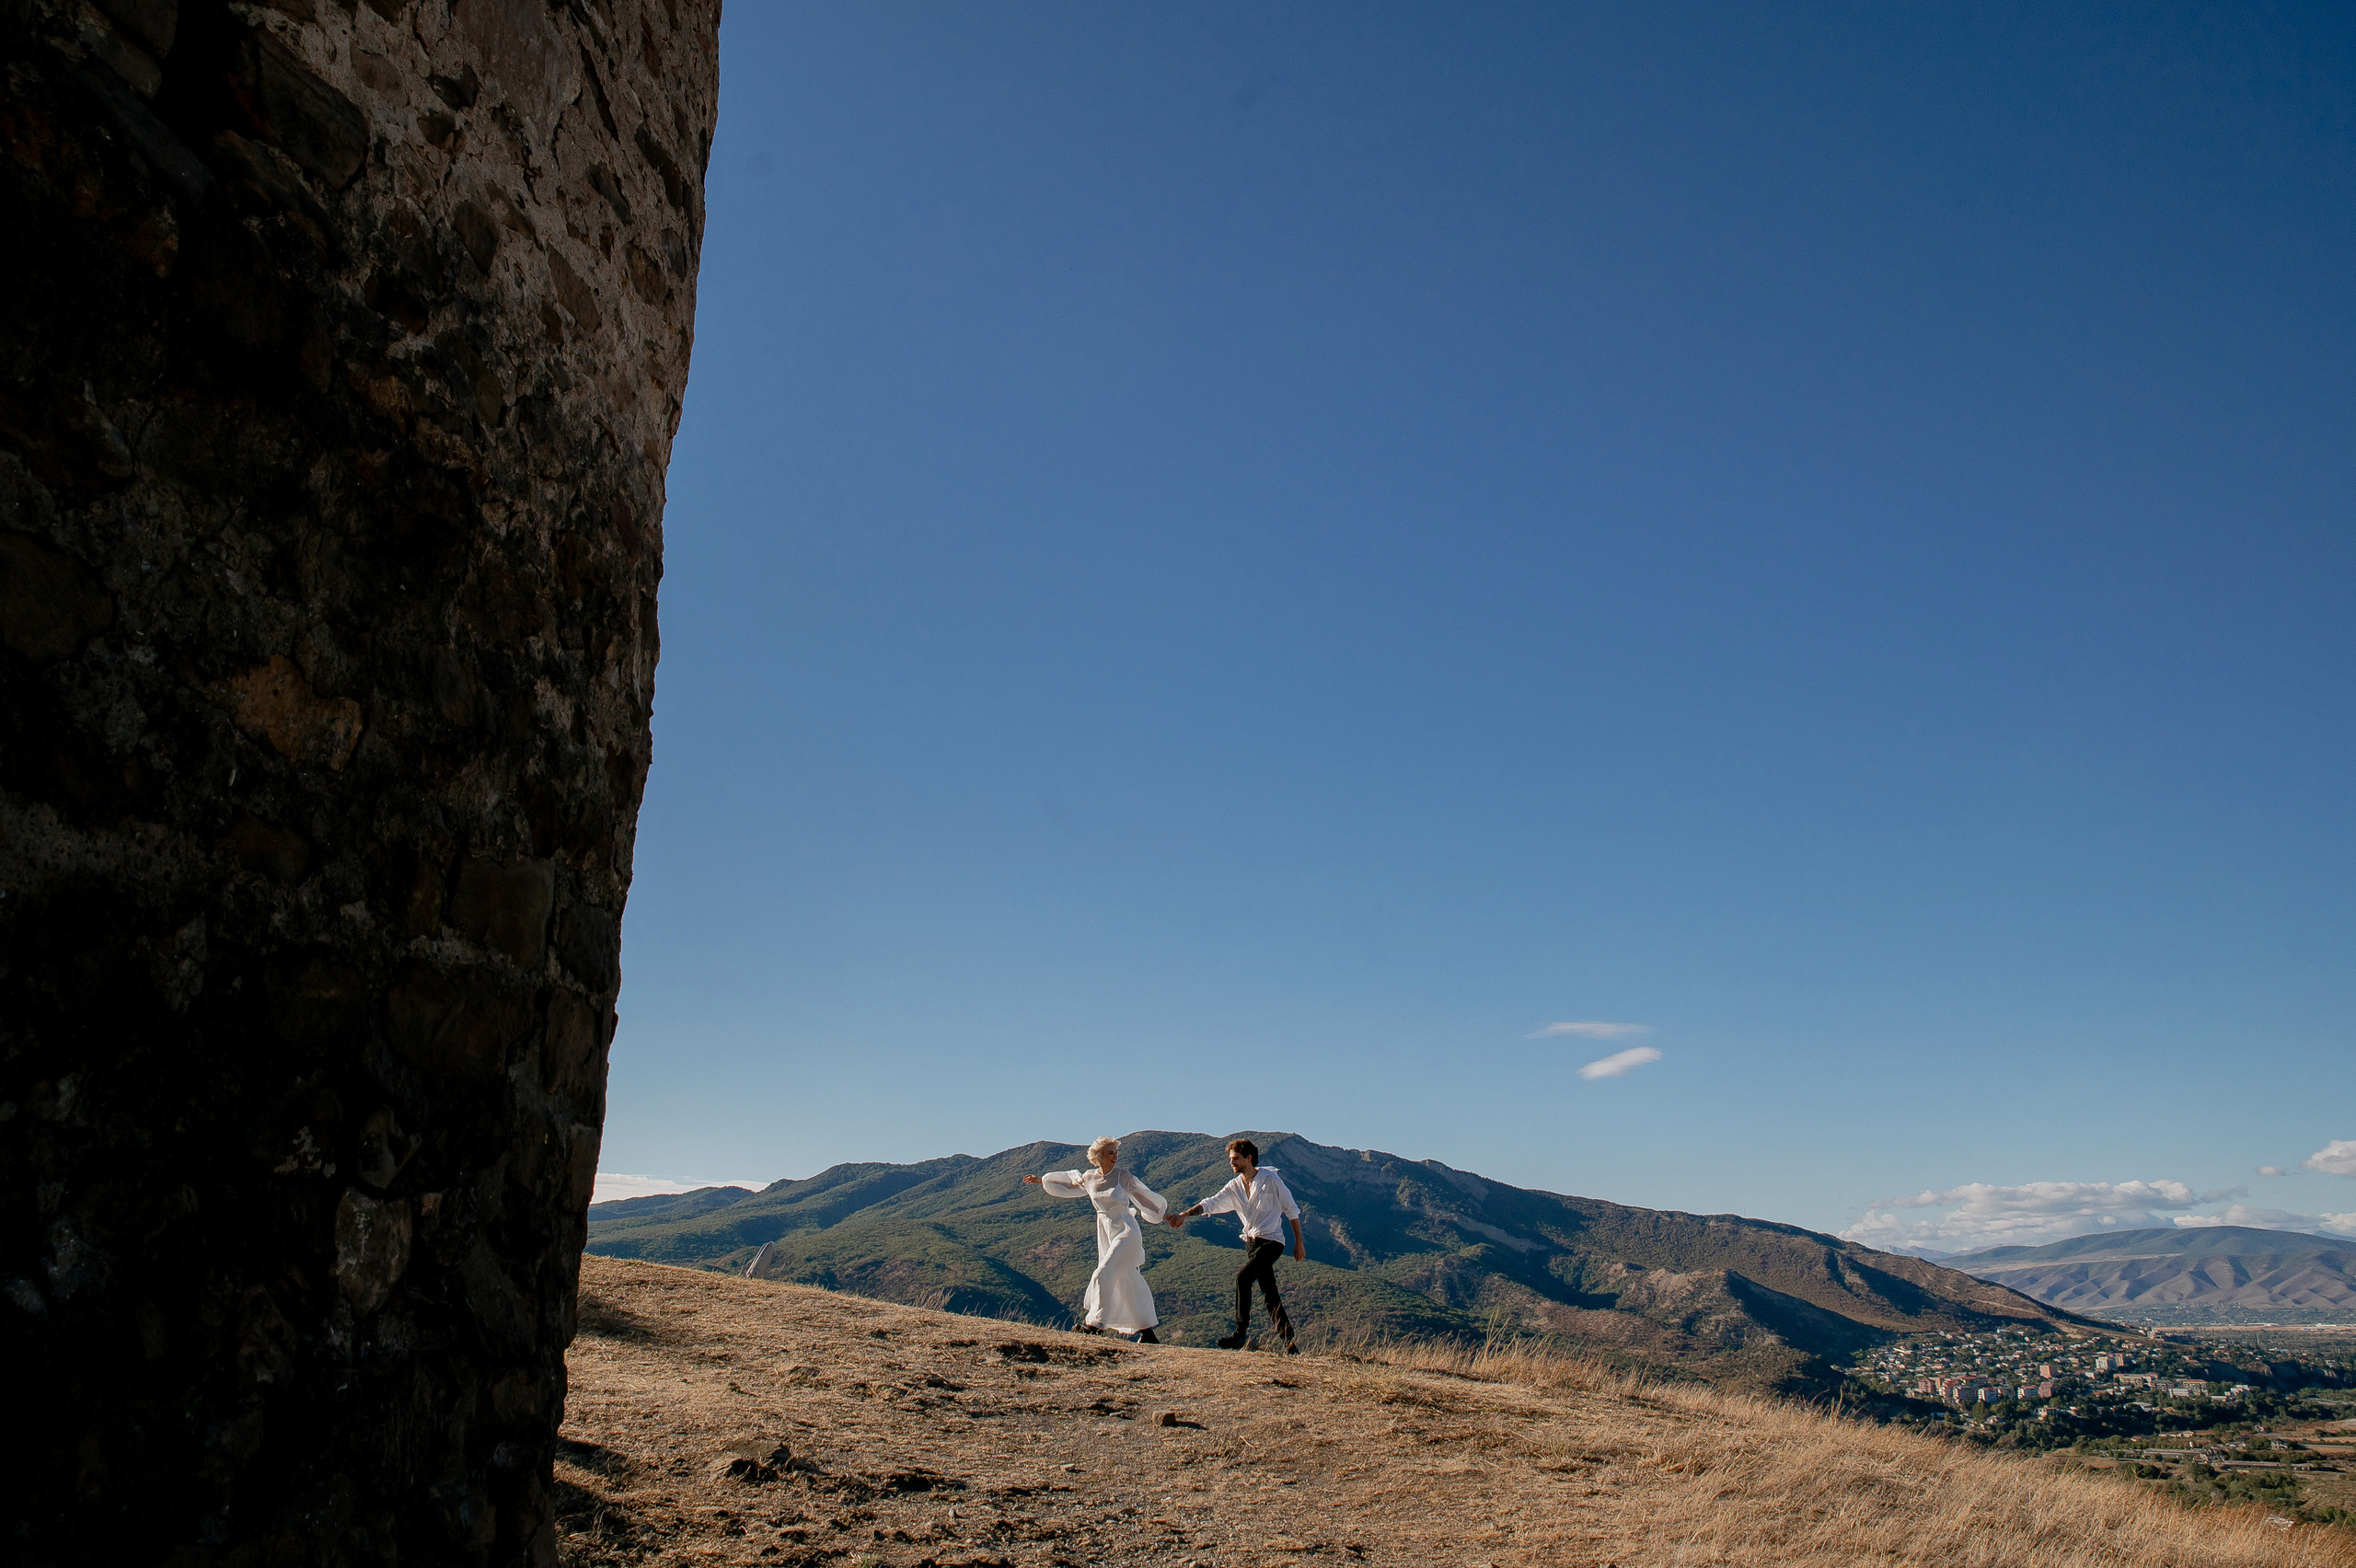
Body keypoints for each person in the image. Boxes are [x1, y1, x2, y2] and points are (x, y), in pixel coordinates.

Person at [1023, 1136, 1168, 1343]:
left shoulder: (1123, 1176)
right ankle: (1148, 1333)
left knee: (1103, 1273)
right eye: (1110, 1153)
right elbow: (1069, 1183)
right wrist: (1040, 1180)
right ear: (1099, 1156)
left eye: (1116, 1153)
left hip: (1127, 1230)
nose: (1115, 1157)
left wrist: (1165, 1215)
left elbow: (1143, 1198)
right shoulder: (1089, 1177)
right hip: (1106, 1231)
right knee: (1126, 1278)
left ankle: (1095, 1325)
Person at [1168, 1137, 1303, 1353]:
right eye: (1231, 1159)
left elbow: (1292, 1210)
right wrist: (1184, 1215)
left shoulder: (1271, 1180)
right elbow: (1211, 1203)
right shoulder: (1234, 1186)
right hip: (1252, 1244)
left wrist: (1299, 1243)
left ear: (1248, 1158)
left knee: (1243, 1278)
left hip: (1273, 1242)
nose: (1232, 1163)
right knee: (1270, 1293)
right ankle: (1289, 1343)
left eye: (1235, 1158)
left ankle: (1240, 1334)